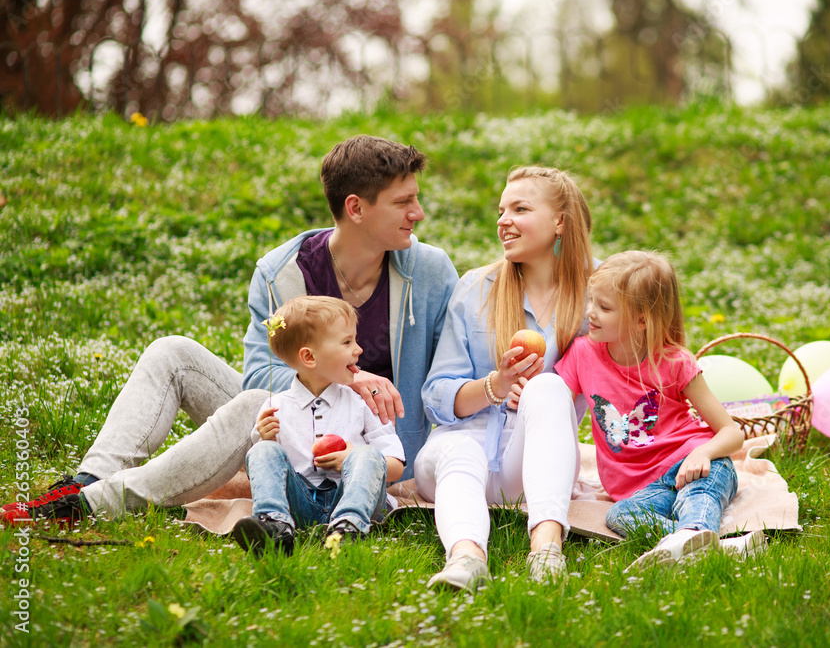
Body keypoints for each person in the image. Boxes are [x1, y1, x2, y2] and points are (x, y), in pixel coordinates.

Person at [2, 135, 457, 527]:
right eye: (404, 202)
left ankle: (96, 505)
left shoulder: (431, 271)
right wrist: (352, 376)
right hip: (289, 432)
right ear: (356, 208)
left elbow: (450, 375)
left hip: (375, 448)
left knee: (259, 403)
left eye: (415, 199)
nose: (418, 213)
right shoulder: (281, 274)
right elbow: (263, 382)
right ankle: (89, 482)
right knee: (174, 353)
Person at [415, 166, 593, 590]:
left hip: (532, 469)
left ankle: (546, 550)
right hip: (458, 458)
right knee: (458, 447)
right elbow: (436, 395)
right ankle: (466, 558)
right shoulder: (476, 287)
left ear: (560, 221)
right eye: (501, 210)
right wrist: (496, 385)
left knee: (550, 387)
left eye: (520, 208)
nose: (503, 220)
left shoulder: (599, 290)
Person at [554, 250, 747, 571]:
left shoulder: (675, 362)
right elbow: (553, 403)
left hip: (696, 465)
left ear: (642, 319)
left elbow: (732, 432)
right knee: (619, 516)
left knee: (698, 497)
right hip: (643, 489)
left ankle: (691, 533)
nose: (590, 313)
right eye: (590, 301)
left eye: (604, 307)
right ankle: (706, 543)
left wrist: (702, 454)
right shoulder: (582, 354)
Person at [233, 296, 405, 556]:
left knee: (367, 453)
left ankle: (348, 528)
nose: (358, 349)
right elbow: (268, 471)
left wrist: (352, 457)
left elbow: (395, 467)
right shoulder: (276, 407)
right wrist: (265, 439)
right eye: (347, 342)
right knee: (259, 452)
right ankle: (275, 525)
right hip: (300, 505)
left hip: (354, 497)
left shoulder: (361, 403)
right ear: (309, 357)